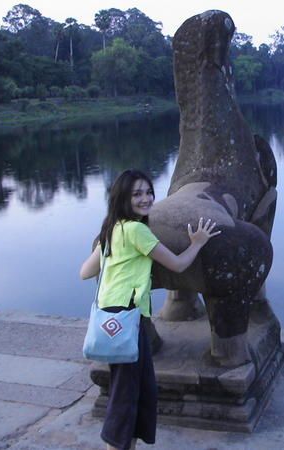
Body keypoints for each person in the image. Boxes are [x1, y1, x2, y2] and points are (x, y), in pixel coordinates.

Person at [80, 169, 220, 450]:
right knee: (126, 393)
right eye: (137, 194)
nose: (146, 199)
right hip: (129, 318)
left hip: (113, 317)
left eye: (148, 192)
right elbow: (179, 265)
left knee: (138, 389)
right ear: (123, 198)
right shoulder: (136, 230)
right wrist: (197, 243)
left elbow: (85, 272)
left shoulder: (112, 228)